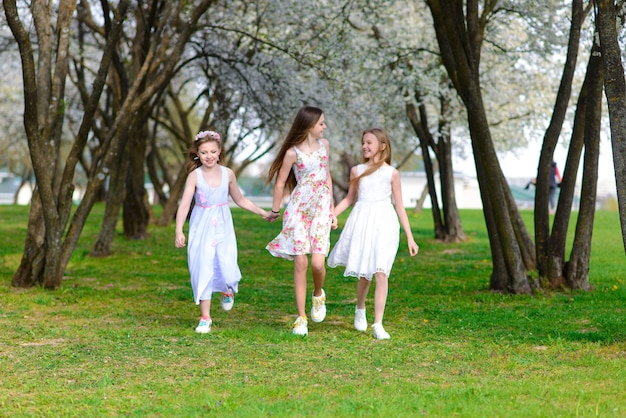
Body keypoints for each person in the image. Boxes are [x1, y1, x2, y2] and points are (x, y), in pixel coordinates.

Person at [175, 130, 273, 334]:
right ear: (197, 154)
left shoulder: (228, 174)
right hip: (201, 226)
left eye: (212, 151)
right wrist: (179, 230)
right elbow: (184, 205)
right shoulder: (195, 176)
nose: (208, 156)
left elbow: (240, 199)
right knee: (203, 266)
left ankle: (227, 290)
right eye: (204, 152)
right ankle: (205, 317)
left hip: (222, 225)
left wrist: (262, 212)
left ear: (219, 152)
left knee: (226, 263)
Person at [328, 128, 419, 340]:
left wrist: (410, 237)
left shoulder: (392, 174)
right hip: (362, 220)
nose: (365, 146)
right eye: (363, 142)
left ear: (383, 146)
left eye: (369, 142)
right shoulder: (356, 170)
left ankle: (378, 324)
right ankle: (360, 308)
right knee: (364, 273)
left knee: (380, 271)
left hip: (385, 223)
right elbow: (349, 199)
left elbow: (400, 207)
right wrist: (332, 215)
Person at [265, 106, 336, 336]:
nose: (324, 127)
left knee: (317, 263)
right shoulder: (292, 153)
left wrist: (332, 208)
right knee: (301, 262)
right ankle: (301, 317)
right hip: (298, 210)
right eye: (321, 123)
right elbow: (280, 182)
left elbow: (327, 177)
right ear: (309, 125)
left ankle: (318, 294)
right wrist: (275, 210)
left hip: (321, 209)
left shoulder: (325, 147)